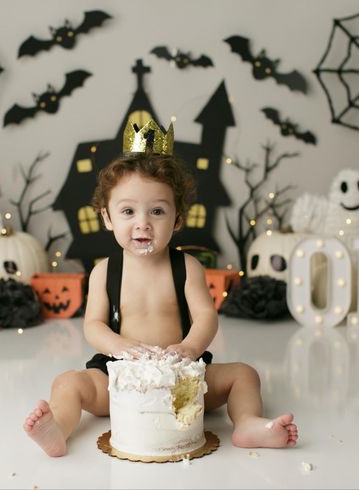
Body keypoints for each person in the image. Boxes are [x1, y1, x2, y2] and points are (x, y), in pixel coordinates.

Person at [24, 129, 298, 457]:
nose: (143, 224)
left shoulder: (188, 268)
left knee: (243, 375)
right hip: (121, 378)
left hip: (182, 378)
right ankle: (59, 428)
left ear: (178, 219)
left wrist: (189, 347)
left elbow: (205, 315)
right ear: (107, 217)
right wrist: (119, 346)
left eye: (157, 211)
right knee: (68, 383)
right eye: (128, 212)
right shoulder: (104, 272)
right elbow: (93, 324)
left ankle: (248, 423)